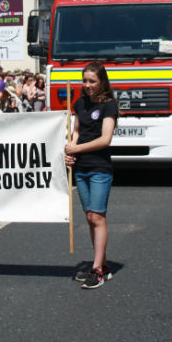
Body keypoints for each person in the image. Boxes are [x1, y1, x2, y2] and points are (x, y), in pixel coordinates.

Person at [64, 61, 118, 290]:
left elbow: (106, 139)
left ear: (101, 82)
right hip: (81, 168)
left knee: (97, 217)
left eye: (92, 81)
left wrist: (77, 149)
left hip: (99, 168)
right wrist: (69, 150)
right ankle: (102, 264)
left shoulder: (109, 106)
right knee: (89, 217)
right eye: (85, 81)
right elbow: (76, 132)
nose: (87, 85)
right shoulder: (80, 102)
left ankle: (98, 269)